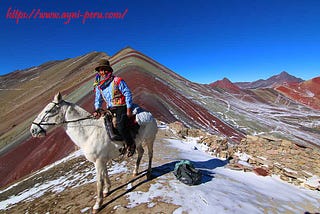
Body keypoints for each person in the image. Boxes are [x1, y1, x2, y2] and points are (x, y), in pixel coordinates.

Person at [93, 58, 136, 157]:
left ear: (109, 70)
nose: (103, 72)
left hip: (121, 106)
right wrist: (97, 109)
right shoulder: (99, 86)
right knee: (105, 127)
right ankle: (117, 145)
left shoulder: (117, 80)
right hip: (110, 108)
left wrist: (129, 109)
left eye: (105, 70)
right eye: (101, 70)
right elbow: (98, 99)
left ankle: (131, 144)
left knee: (120, 126)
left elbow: (127, 93)